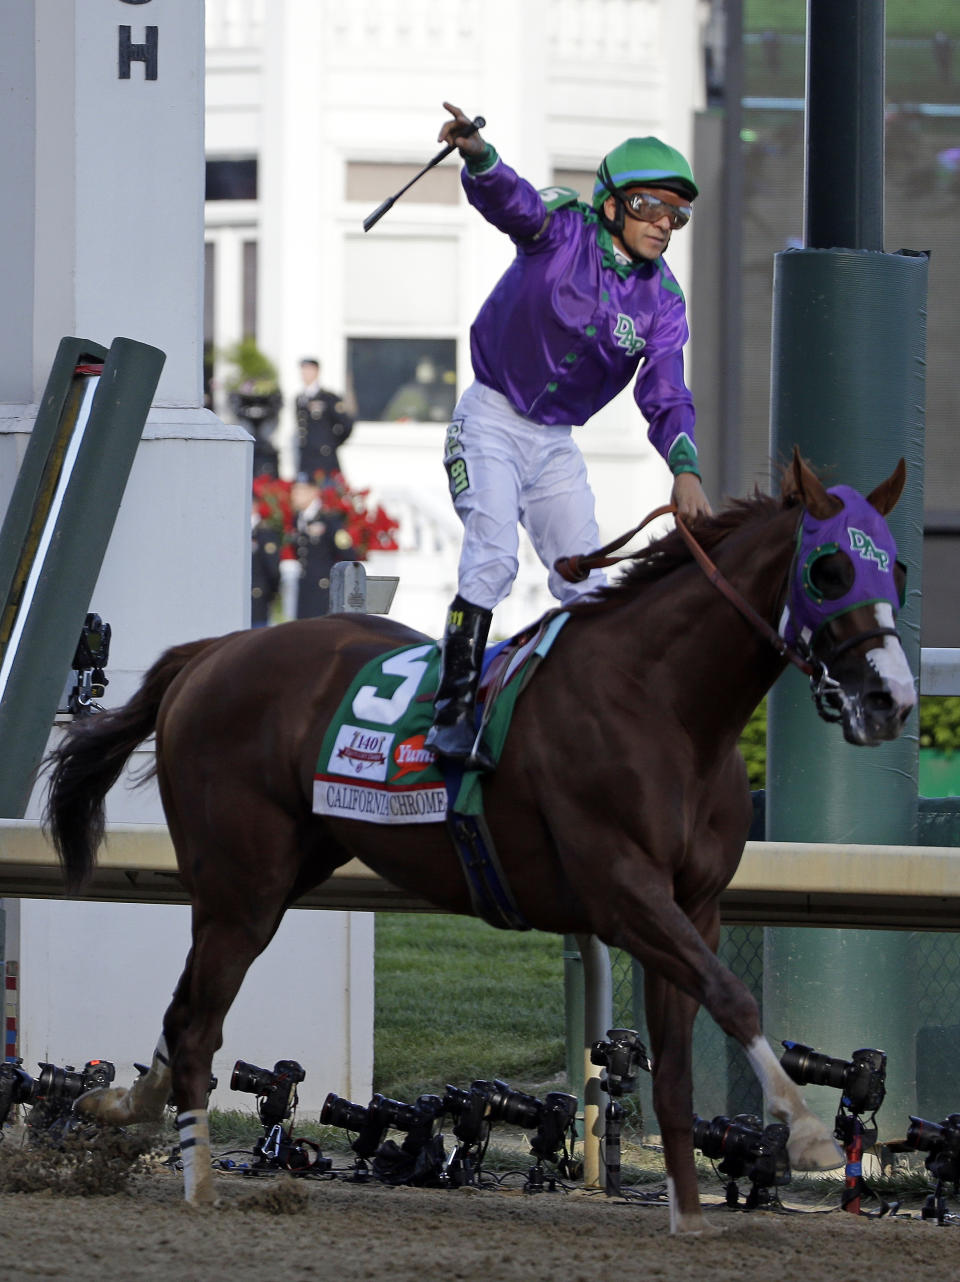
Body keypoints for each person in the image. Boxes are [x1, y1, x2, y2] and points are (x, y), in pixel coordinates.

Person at [425, 102, 712, 770]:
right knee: (493, 558)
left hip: (555, 444)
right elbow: (515, 203)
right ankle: (452, 715)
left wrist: (686, 469)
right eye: (650, 206)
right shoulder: (563, 231)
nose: (664, 224)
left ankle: (591, 717)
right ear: (610, 204)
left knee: (590, 587)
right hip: (491, 418)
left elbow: (665, 392)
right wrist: (477, 155)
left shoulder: (664, 301)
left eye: (676, 214)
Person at [295, 358, 355, 478]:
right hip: (307, 458)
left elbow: (346, 424)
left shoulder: (328, 398)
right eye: (303, 370)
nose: (305, 374)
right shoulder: (300, 399)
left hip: (325, 458)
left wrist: (331, 444)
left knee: (328, 492)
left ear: (316, 371)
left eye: (308, 370)